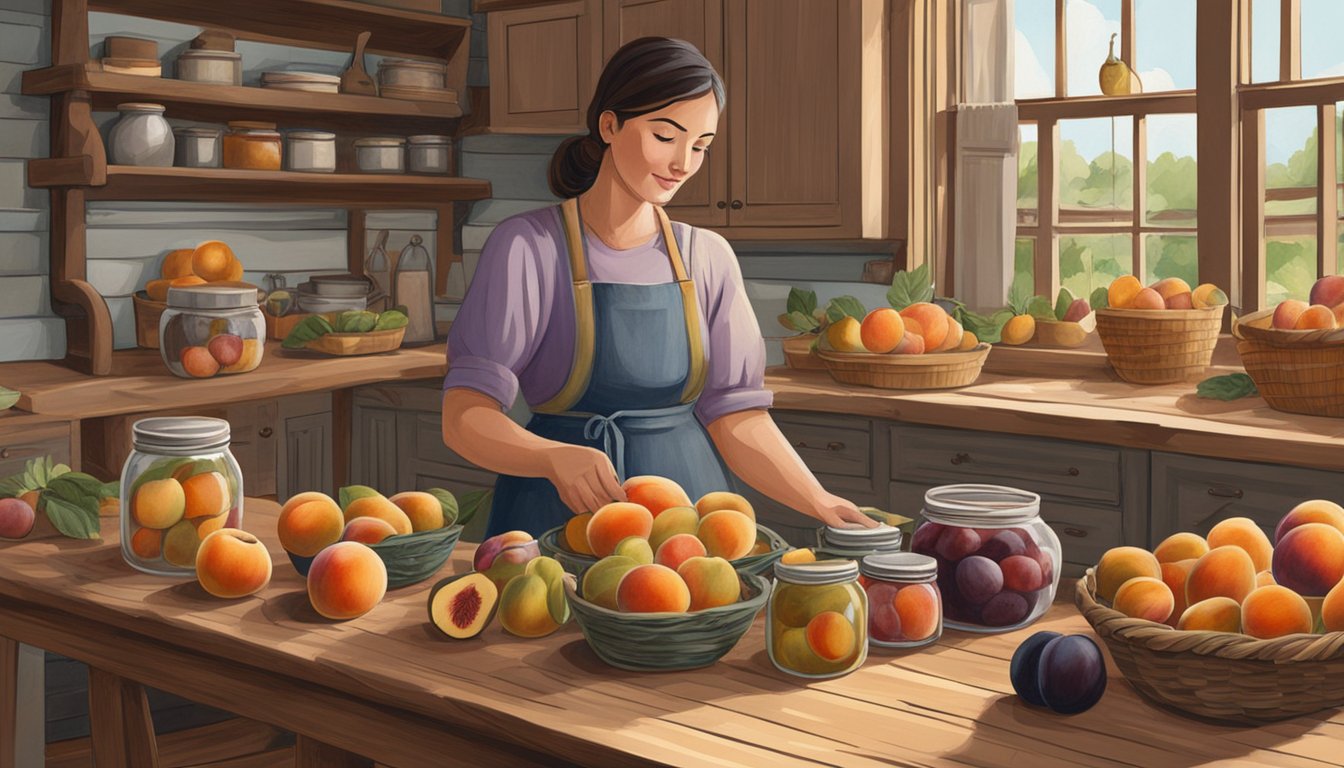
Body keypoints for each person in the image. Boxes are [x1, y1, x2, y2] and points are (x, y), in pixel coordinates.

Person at [441, 36, 877, 538]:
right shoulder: (528, 247)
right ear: (610, 124)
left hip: (690, 523)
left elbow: (738, 419)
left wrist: (819, 501)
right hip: (558, 516)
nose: (683, 164)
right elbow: (464, 416)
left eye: (700, 147)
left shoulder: (707, 257)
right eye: (666, 136)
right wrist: (551, 457)